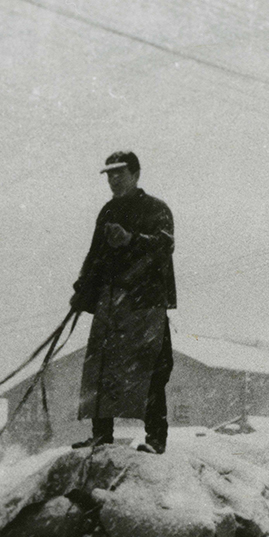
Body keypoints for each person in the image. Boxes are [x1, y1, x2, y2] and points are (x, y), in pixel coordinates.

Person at [69, 151, 177, 455]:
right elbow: (94, 256)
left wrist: (131, 239)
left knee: (150, 370)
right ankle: (101, 436)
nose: (114, 180)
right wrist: (82, 289)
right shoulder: (107, 212)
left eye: (120, 174)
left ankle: (156, 439)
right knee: (100, 368)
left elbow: (165, 246)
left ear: (136, 174)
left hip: (146, 304)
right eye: (110, 175)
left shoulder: (157, 209)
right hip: (110, 303)